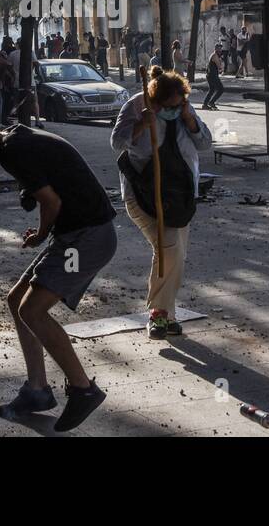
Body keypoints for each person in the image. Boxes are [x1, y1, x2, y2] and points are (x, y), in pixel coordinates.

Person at [0, 113, 115, 431]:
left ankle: (83, 389)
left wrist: (39, 234)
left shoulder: (12, 152)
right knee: (17, 300)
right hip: (77, 234)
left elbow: (50, 202)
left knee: (33, 311)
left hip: (89, 238)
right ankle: (37, 390)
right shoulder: (14, 137)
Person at [112, 66, 212, 339]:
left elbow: (205, 144)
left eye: (178, 104)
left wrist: (190, 121)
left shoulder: (184, 108)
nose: (174, 110)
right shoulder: (135, 107)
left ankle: (168, 315)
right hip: (144, 194)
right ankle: (158, 314)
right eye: (168, 106)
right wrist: (141, 125)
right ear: (154, 101)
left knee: (177, 253)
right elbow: (117, 142)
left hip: (180, 195)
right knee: (169, 248)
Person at [201, 45, 224, 110]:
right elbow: (219, 67)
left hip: (211, 75)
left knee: (212, 90)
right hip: (212, 76)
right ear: (216, 49)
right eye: (219, 49)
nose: (220, 51)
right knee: (221, 89)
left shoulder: (214, 55)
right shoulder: (215, 56)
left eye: (221, 49)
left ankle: (205, 104)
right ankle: (211, 102)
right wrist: (221, 62)